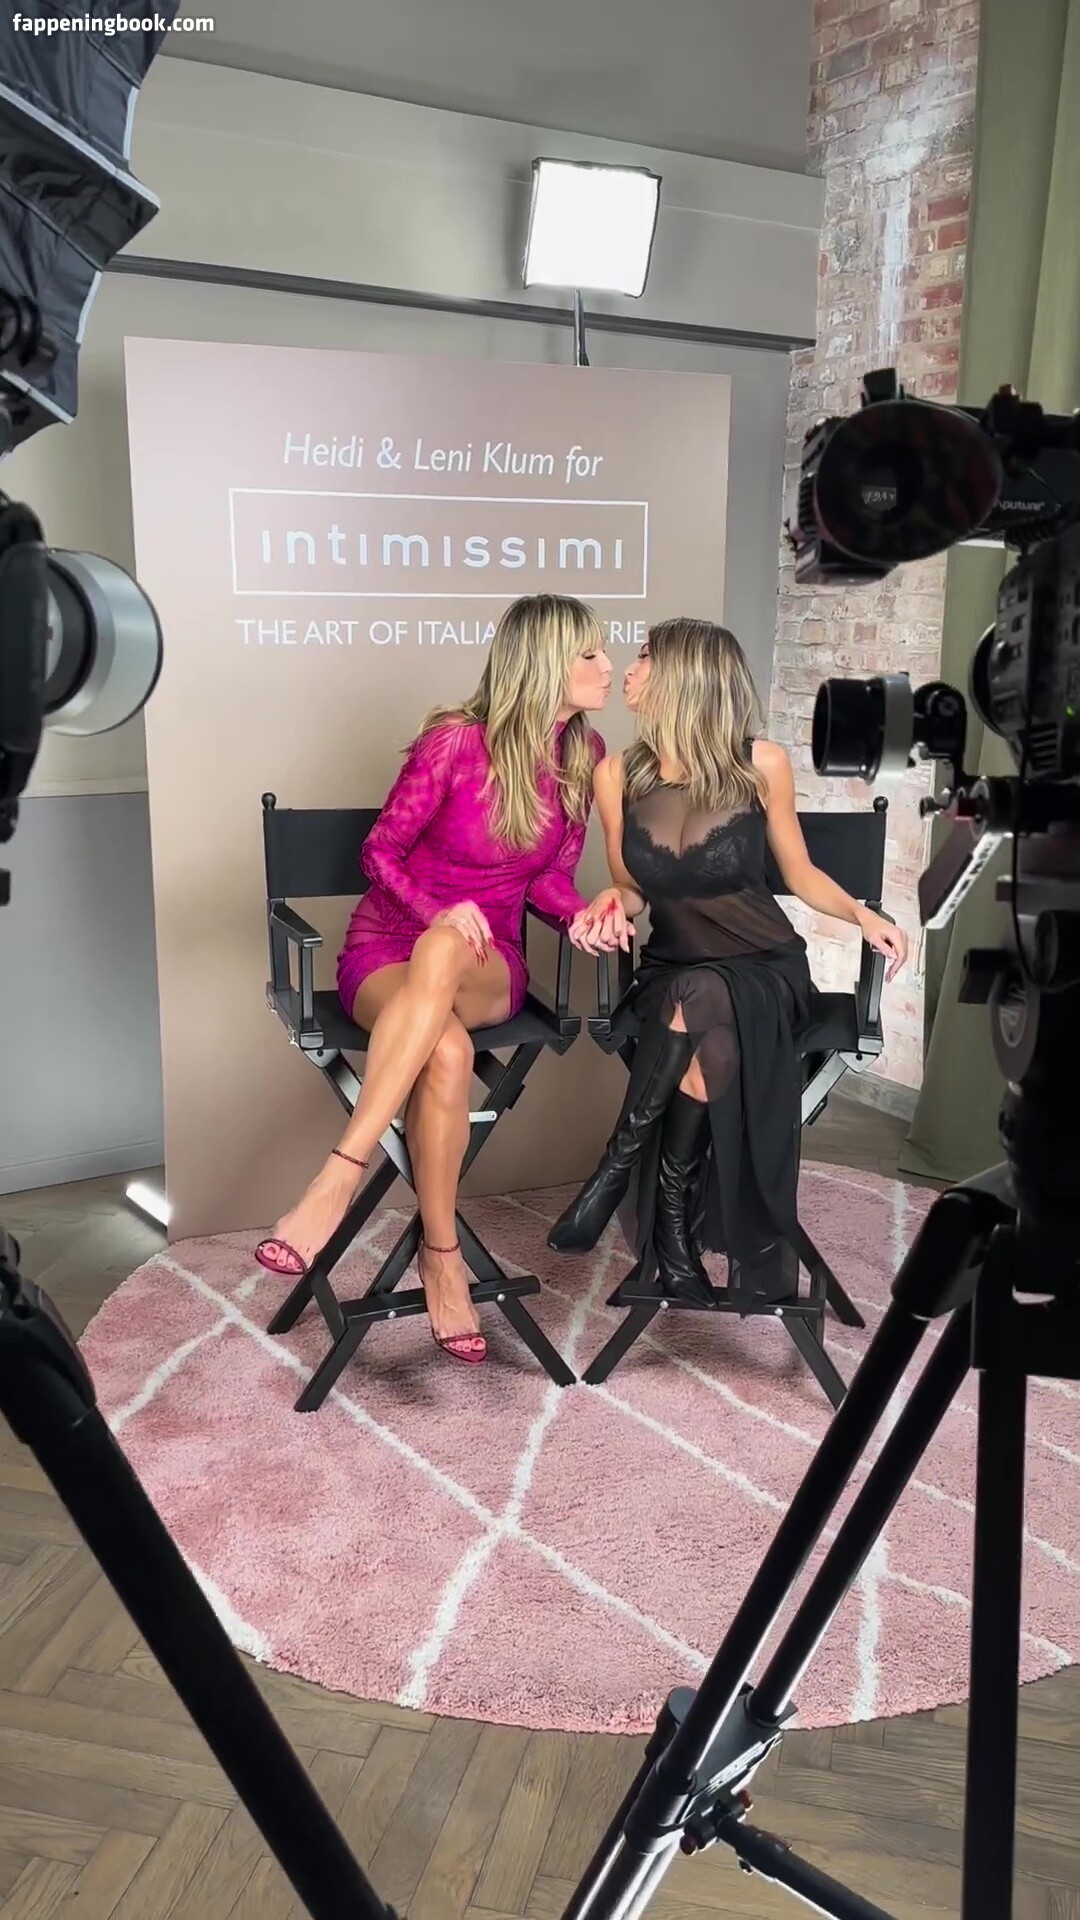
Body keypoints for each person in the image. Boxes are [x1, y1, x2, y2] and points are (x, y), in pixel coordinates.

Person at [256, 594, 611, 1363]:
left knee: (449, 954)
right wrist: (437, 911)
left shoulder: (586, 755)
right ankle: (442, 1258)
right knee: (446, 1051)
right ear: (545, 661)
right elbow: (379, 852)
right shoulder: (454, 743)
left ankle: (336, 1178)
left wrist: (579, 916)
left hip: (490, 962)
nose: (606, 666)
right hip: (386, 948)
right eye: (589, 653)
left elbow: (550, 878)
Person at [551, 617, 907, 1305]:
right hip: (672, 970)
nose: (629, 668)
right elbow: (630, 885)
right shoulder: (615, 774)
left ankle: (616, 1174)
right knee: (697, 1006)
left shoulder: (760, 764)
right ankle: (665, 1223)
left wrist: (865, 915)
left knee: (702, 999)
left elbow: (799, 874)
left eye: (645, 657)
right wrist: (608, 903)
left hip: (765, 966)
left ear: (686, 674)